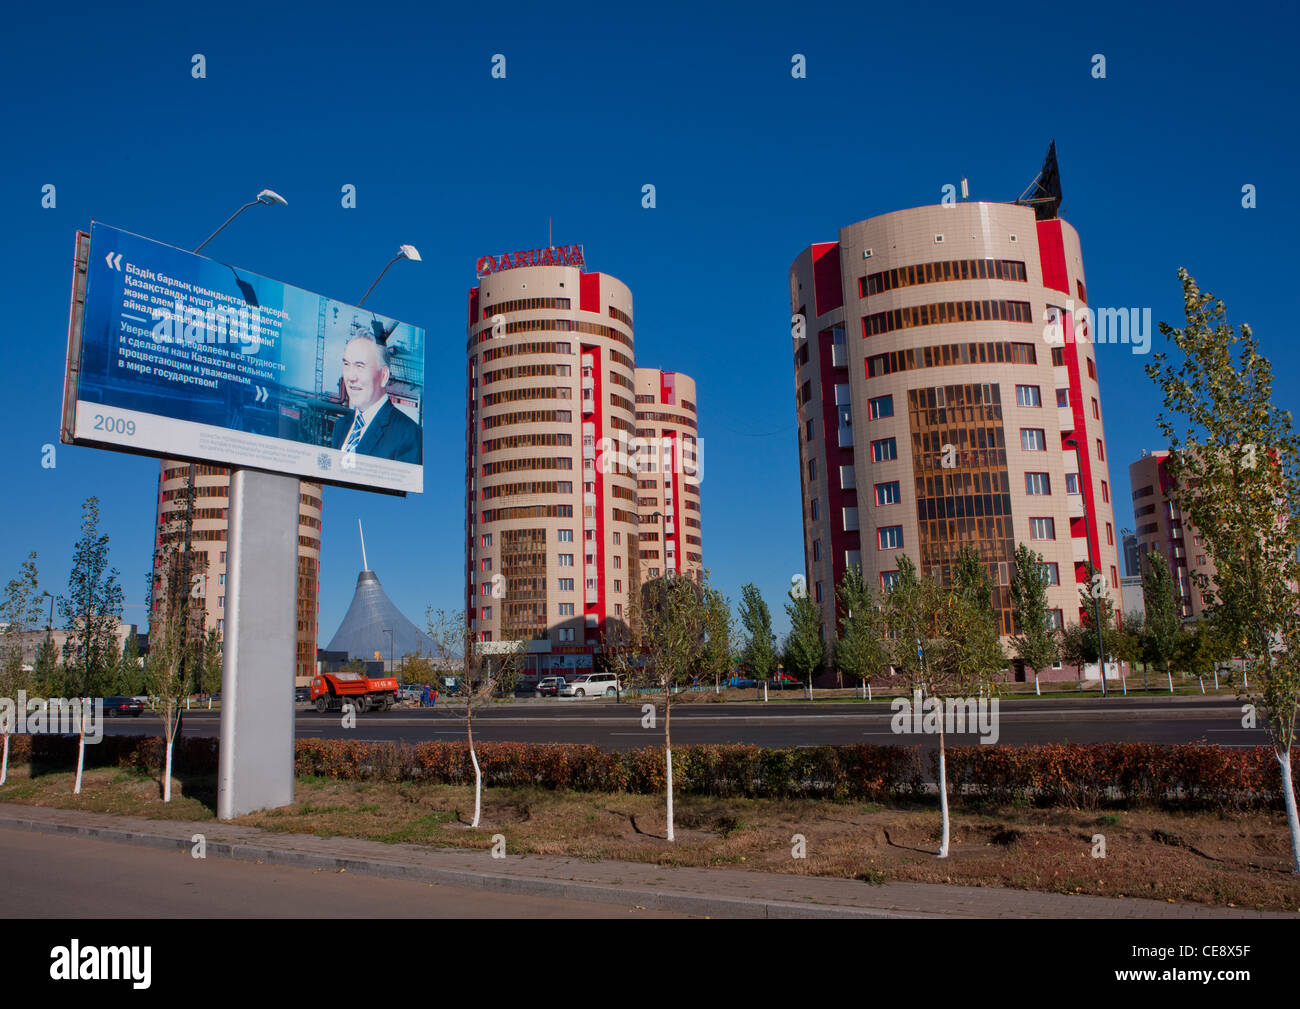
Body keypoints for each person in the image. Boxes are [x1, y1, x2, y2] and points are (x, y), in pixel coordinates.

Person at [331, 335, 422, 464]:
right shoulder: (340, 426)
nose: (351, 377)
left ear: (384, 376)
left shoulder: (408, 434)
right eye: (347, 364)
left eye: (360, 366)